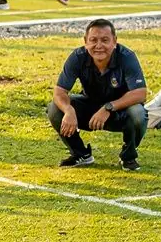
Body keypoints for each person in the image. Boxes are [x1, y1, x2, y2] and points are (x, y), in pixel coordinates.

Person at [46, 18, 148, 171]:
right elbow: (59, 91)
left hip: (119, 111)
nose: (99, 46)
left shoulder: (126, 57)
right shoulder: (78, 57)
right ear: (85, 41)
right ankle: (81, 154)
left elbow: (140, 93)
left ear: (114, 41)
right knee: (55, 108)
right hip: (91, 107)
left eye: (105, 40)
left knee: (138, 113)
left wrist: (108, 108)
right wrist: (69, 110)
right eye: (93, 40)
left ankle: (128, 157)